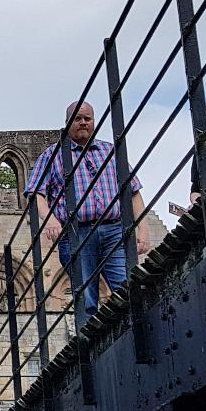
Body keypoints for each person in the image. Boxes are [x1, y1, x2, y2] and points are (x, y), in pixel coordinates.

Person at [24, 101, 151, 323]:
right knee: (86, 296)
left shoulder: (110, 150)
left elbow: (133, 192)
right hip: (77, 233)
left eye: (87, 118)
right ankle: (90, 351)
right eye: (77, 118)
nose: (83, 122)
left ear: (94, 122)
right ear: (67, 123)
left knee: (128, 284)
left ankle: (138, 332)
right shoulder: (53, 155)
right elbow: (36, 194)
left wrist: (143, 229)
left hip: (114, 230)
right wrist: (50, 219)